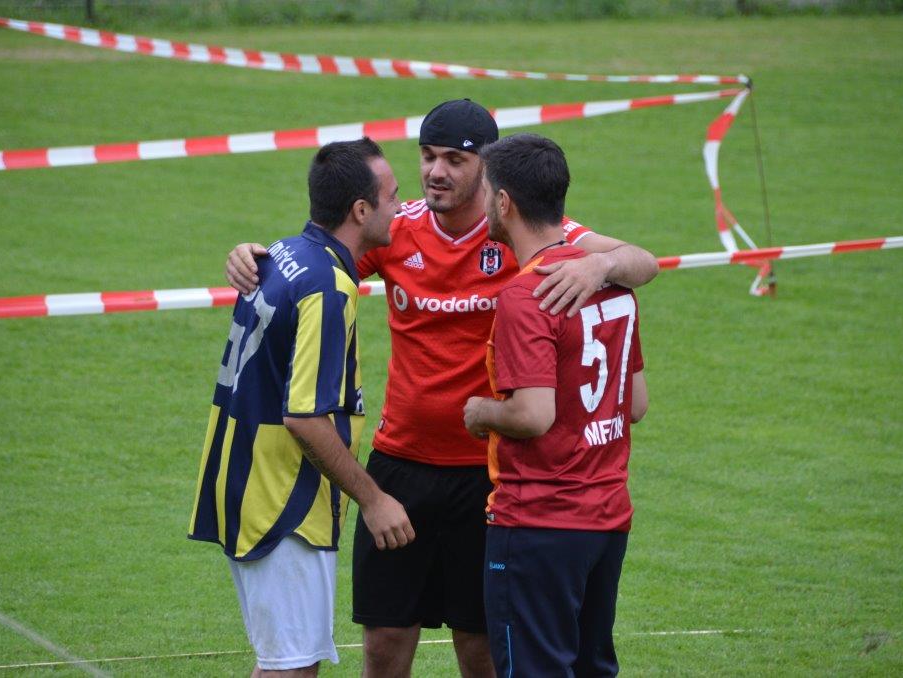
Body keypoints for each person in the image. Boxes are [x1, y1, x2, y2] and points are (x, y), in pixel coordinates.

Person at [224, 99, 659, 678]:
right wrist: (255, 255)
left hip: (487, 475)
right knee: (383, 643)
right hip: (400, 466)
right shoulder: (396, 228)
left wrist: (598, 266)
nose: (436, 172)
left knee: (481, 649)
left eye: (455, 159)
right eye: (428, 156)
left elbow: (644, 261)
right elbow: (320, 254)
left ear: (489, 171)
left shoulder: (519, 229)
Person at [188, 138, 415, 677]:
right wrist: (373, 500)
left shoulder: (283, 252)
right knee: (291, 669)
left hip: (242, 479)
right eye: (391, 197)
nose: (400, 207)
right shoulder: (328, 288)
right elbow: (305, 418)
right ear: (360, 210)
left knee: (285, 664)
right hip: (281, 501)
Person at [463, 133, 648, 676]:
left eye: (485, 192)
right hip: (607, 520)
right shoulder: (612, 282)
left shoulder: (527, 295)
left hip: (537, 523)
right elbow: (635, 404)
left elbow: (533, 415)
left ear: (503, 202)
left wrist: (481, 412)